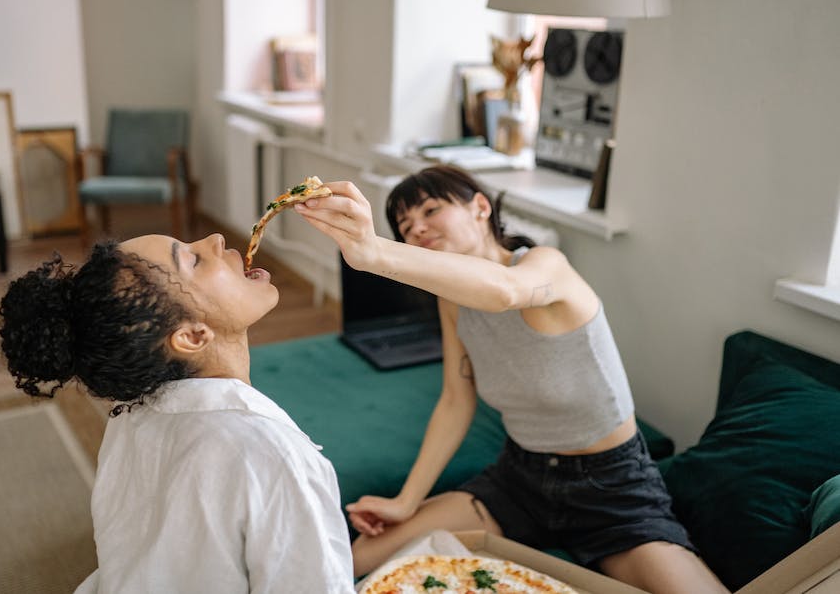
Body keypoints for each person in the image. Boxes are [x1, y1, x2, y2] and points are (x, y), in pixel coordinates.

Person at [295, 165, 728, 594]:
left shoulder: (545, 267)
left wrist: (374, 252)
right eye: (406, 227)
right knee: (352, 560)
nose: (419, 229)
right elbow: (454, 401)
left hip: (610, 487)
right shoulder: (453, 302)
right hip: (520, 478)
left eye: (431, 210)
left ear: (481, 207)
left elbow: (505, 292)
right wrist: (405, 501)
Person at [0, 233, 355, 593]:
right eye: (194, 260)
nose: (215, 239)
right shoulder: (274, 456)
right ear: (192, 337)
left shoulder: (130, 417)